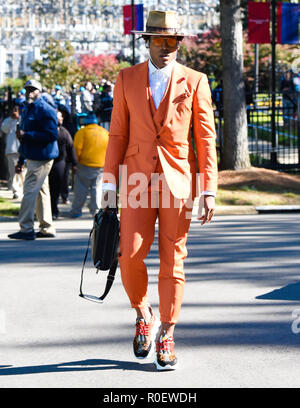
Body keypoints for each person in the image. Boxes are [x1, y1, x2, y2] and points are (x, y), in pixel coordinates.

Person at [100, 10, 218, 370]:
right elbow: (118, 134)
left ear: (178, 43)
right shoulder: (126, 79)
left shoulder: (195, 80)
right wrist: (108, 183)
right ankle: (142, 313)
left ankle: (166, 330)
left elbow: (206, 138)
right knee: (129, 255)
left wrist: (208, 188)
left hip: (178, 181)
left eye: (172, 41)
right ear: (146, 42)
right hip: (136, 179)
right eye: (159, 40)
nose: (166, 47)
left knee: (173, 260)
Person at [8, 79, 58, 240]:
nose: (30, 92)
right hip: (33, 155)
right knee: (42, 191)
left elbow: (52, 135)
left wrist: (27, 135)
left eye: (33, 90)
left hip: (42, 156)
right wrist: (21, 161)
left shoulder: (45, 109)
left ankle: (26, 228)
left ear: (40, 91)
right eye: (28, 89)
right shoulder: (28, 109)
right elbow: (24, 138)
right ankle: (47, 227)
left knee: (29, 191)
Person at [70, 112, 108, 218]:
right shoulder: (105, 132)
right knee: (97, 188)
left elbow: (77, 148)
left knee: (81, 189)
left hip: (84, 165)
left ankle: (76, 211)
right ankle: (95, 211)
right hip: (101, 165)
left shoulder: (82, 132)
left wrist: (75, 163)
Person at [49, 111, 77, 219]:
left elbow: (71, 148)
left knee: (55, 189)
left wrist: (74, 163)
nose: (59, 119)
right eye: (57, 117)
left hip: (59, 163)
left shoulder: (64, 132)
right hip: (48, 162)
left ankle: (54, 211)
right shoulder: (48, 130)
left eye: (60, 117)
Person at [0, 103, 24, 199]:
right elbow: (4, 129)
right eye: (12, 110)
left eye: (16, 110)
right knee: (13, 171)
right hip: (11, 150)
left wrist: (18, 118)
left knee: (23, 172)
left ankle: (23, 189)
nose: (14, 112)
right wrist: (11, 119)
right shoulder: (7, 121)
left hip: (22, 150)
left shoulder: (23, 119)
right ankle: (16, 190)